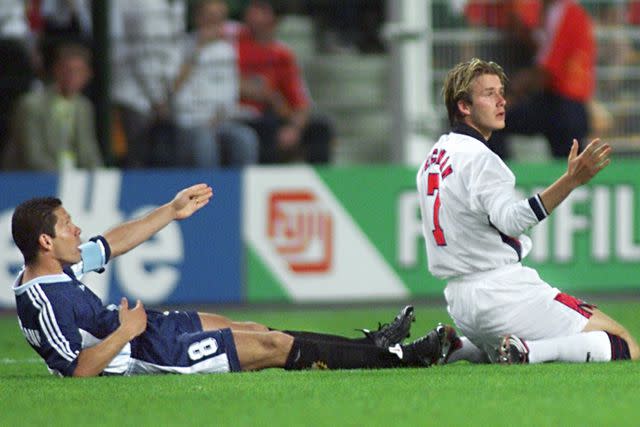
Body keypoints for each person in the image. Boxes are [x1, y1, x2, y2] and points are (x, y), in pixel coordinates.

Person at [10, 183, 458, 377]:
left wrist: (171, 210)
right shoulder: (43, 302)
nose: (78, 231)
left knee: (259, 331)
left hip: (147, 329)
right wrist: (126, 332)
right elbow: (78, 371)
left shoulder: (55, 266)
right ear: (46, 241)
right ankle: (403, 358)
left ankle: (373, 347)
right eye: (68, 225)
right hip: (147, 352)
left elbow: (113, 242)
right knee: (275, 348)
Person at [417, 58, 639, 364]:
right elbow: (511, 220)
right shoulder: (481, 160)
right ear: (464, 107)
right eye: (489, 94)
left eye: (501, 92)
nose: (501, 101)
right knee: (624, 344)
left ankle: (461, 347)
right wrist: (571, 180)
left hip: (460, 301)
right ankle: (529, 352)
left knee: (504, 339)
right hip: (502, 293)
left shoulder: (435, 156)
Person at [487, 0, 595, 159]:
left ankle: (499, 178)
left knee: (494, 121)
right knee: (570, 167)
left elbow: (547, 68)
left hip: (564, 103)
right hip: (559, 102)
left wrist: (513, 94)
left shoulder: (564, 12)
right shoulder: (551, 11)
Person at [233, 0, 334, 164]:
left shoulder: (283, 55)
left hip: (275, 113)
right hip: (244, 114)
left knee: (321, 127)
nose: (253, 14)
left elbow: (301, 102)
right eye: (252, 9)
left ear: (273, 18)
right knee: (266, 128)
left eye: (261, 10)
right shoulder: (233, 44)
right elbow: (228, 81)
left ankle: (322, 181)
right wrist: (254, 90)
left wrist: (294, 128)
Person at [171, 0, 259, 168]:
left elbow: (229, 91)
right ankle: (206, 192)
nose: (215, 24)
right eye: (210, 17)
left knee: (246, 139)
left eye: (219, 18)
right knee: (204, 143)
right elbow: (174, 89)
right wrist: (198, 49)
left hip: (220, 120)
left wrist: (220, 115)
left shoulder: (226, 51)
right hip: (190, 121)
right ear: (198, 18)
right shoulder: (183, 46)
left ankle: (241, 190)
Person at [2, 42, 103, 171]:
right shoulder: (31, 105)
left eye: (78, 71)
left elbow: (89, 151)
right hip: (32, 181)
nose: (71, 76)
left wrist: (99, 175)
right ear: (56, 69)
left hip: (74, 179)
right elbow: (33, 155)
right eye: (67, 70)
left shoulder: (84, 106)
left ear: (88, 75)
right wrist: (62, 178)